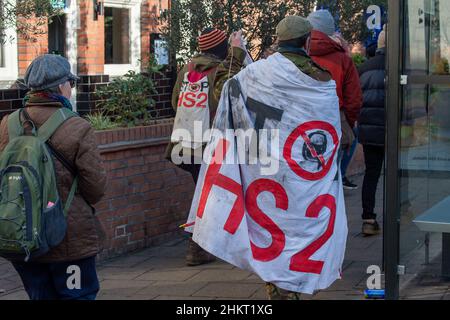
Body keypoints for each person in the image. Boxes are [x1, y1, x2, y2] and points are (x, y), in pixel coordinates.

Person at [216, 16, 335, 300]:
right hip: (304, 166)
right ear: (307, 42)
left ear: (279, 41)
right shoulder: (321, 76)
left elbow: (227, 91)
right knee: (300, 221)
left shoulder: (256, 72)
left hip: (267, 164)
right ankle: (293, 280)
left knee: (272, 222)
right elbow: (329, 123)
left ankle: (276, 281)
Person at [0, 54, 107, 300]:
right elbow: (95, 188)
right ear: (61, 86)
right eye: (71, 83)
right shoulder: (78, 127)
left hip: (23, 235)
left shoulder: (7, 124)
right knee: (78, 295)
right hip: (69, 239)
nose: (71, 87)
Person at [167, 28, 247, 266]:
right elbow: (226, 101)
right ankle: (197, 248)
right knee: (210, 197)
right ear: (220, 48)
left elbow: (174, 102)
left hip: (185, 143)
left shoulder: (187, 69)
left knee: (204, 194)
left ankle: (205, 245)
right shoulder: (220, 70)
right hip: (212, 143)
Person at [307, 9, 363, 189]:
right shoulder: (343, 60)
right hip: (334, 121)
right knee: (332, 173)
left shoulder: (296, 55)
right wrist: (348, 121)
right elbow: (354, 99)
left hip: (301, 119)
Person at [357, 27, 386, 236]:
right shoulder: (401, 67)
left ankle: (368, 218)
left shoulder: (364, 67)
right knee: (399, 173)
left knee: (371, 173)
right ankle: (403, 210)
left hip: (369, 131)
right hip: (394, 130)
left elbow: (355, 100)